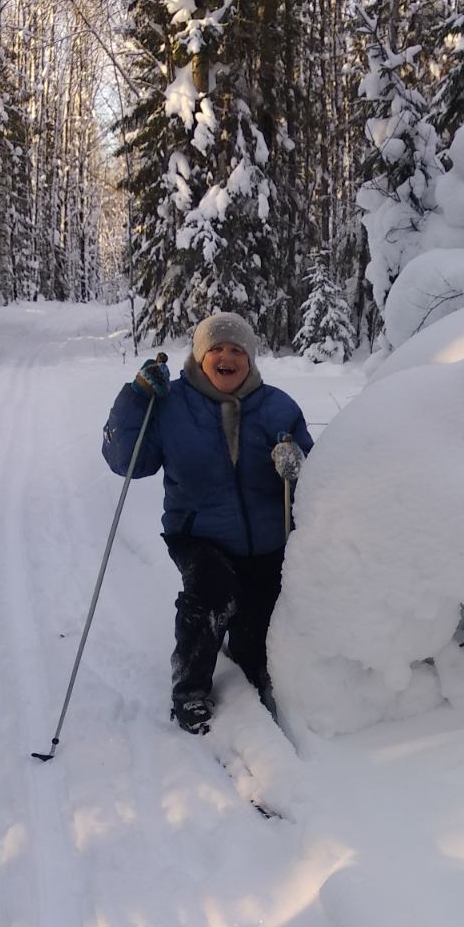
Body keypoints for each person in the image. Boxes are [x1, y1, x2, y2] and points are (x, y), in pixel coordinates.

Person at [103, 311, 313, 734]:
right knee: (214, 593)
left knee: (258, 634)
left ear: (250, 359)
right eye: (216, 348)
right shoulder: (168, 404)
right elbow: (127, 462)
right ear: (200, 356)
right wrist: (136, 398)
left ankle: (248, 655)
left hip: (266, 540)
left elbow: (312, 472)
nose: (226, 357)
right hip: (199, 534)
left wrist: (297, 467)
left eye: (237, 349)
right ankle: (190, 687)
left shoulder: (278, 406)